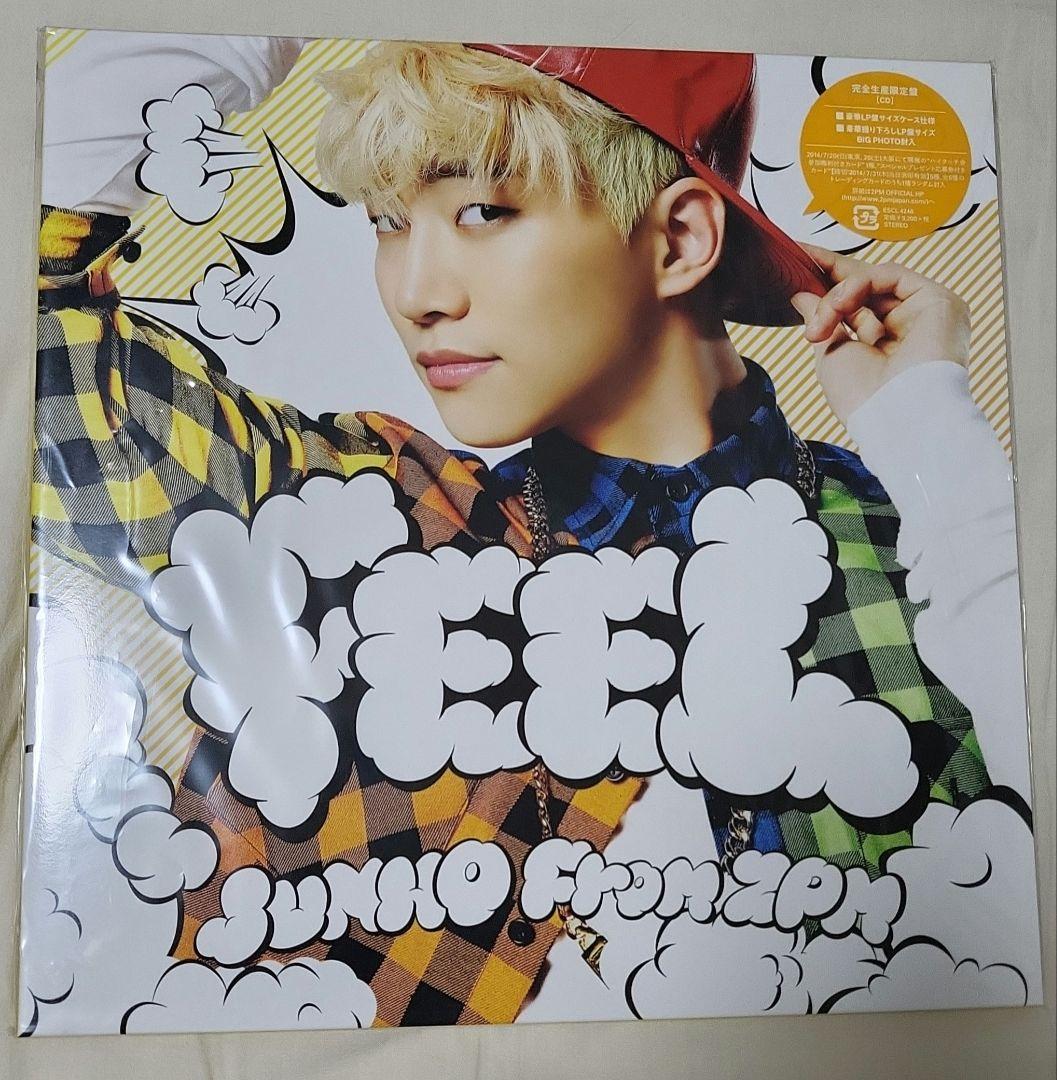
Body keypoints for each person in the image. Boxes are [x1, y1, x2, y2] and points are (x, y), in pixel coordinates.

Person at [32, 35, 1028, 1026]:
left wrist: (924, 423)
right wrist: (247, 26)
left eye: (482, 212)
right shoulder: (356, 524)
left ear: (678, 240)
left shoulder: (915, 541)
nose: (418, 295)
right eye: (388, 223)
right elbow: (31, 333)